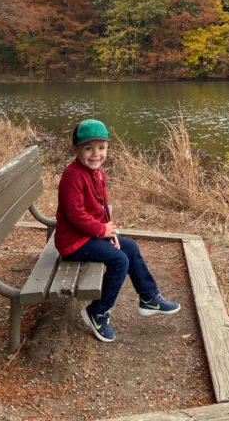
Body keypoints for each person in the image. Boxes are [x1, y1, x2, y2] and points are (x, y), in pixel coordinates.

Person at [55, 118, 180, 343]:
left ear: (108, 149)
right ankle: (98, 311)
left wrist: (110, 231)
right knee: (119, 261)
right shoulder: (72, 176)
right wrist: (101, 230)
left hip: (88, 234)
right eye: (88, 148)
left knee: (130, 247)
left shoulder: (99, 174)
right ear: (76, 149)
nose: (96, 154)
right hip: (72, 242)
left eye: (101, 148)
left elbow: (102, 207)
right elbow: (75, 215)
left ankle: (149, 298)